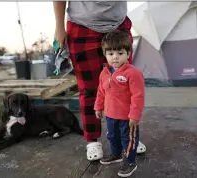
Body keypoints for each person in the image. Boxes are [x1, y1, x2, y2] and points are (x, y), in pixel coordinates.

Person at [53, 1, 146, 161]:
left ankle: (129, 136)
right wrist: (59, 26)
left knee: (125, 86)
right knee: (88, 89)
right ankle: (92, 140)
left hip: (118, 24)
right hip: (82, 26)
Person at [94, 31, 144, 177]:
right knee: (112, 137)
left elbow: (138, 96)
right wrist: (98, 106)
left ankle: (130, 161)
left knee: (128, 139)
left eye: (120, 53)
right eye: (110, 53)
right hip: (110, 115)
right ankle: (116, 154)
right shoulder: (104, 72)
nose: (115, 57)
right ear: (105, 54)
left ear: (128, 54)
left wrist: (135, 115)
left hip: (127, 118)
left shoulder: (133, 73)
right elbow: (101, 91)